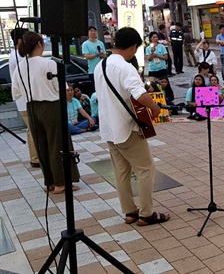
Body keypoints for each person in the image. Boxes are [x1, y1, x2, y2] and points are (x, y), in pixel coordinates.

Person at [94, 27, 170, 226]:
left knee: (121, 172)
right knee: (146, 169)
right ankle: (146, 214)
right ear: (133, 46)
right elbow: (140, 94)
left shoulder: (100, 65)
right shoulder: (125, 68)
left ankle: (130, 212)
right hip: (126, 128)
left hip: (109, 129)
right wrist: (154, 108)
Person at [11, 32, 81, 194]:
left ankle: (49, 182)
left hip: (31, 107)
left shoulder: (21, 66)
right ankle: (60, 183)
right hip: (51, 106)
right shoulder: (48, 64)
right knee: (57, 144)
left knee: (41, 145)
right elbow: (61, 88)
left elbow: (16, 93)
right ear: (39, 44)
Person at [9, 28, 38, 167]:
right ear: (20, 40)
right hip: (26, 100)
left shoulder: (14, 55)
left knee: (31, 129)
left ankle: (35, 157)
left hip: (24, 100)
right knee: (34, 129)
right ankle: (36, 158)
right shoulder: (19, 57)